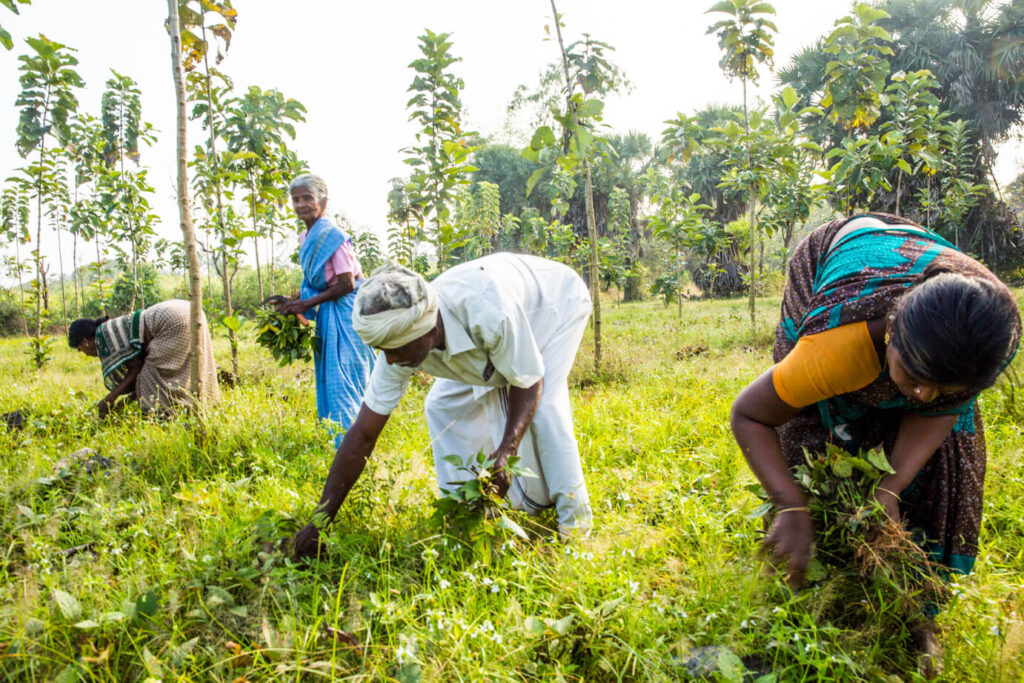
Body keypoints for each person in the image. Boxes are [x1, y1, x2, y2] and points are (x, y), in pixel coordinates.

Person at [730, 213, 1020, 670]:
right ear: (891, 333)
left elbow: (940, 409)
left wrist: (889, 488)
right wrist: (789, 503)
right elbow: (749, 414)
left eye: (940, 386)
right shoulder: (834, 345)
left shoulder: (987, 341)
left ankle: (919, 619)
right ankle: (813, 587)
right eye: (916, 377)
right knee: (817, 440)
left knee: (944, 465)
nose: (923, 395)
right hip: (836, 264)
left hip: (943, 301)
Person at [292, 253, 594, 557]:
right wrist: (320, 521)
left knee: (544, 408)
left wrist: (506, 451)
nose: (390, 361)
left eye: (395, 351)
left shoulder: (487, 311)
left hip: (553, 306)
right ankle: (467, 516)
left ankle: (575, 531)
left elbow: (529, 382)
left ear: (429, 331)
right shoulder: (401, 334)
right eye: (383, 351)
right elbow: (363, 435)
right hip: (502, 320)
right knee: (440, 404)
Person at [277, 174, 376, 446]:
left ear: (323, 201)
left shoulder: (333, 236)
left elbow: (346, 283)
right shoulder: (305, 236)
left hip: (346, 311)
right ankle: (342, 443)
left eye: (307, 198)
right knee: (332, 379)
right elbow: (315, 282)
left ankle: (352, 445)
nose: (301, 205)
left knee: (346, 377)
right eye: (296, 199)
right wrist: (292, 302)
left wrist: (306, 304)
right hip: (329, 313)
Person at [68, 299, 220, 415]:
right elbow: (136, 379)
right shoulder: (111, 328)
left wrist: (110, 398)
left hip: (172, 320)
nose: (85, 354)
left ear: (84, 342)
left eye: (80, 350)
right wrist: (122, 402)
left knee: (150, 376)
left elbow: (137, 371)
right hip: (189, 309)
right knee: (186, 368)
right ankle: (195, 406)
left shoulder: (105, 338)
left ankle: (161, 415)